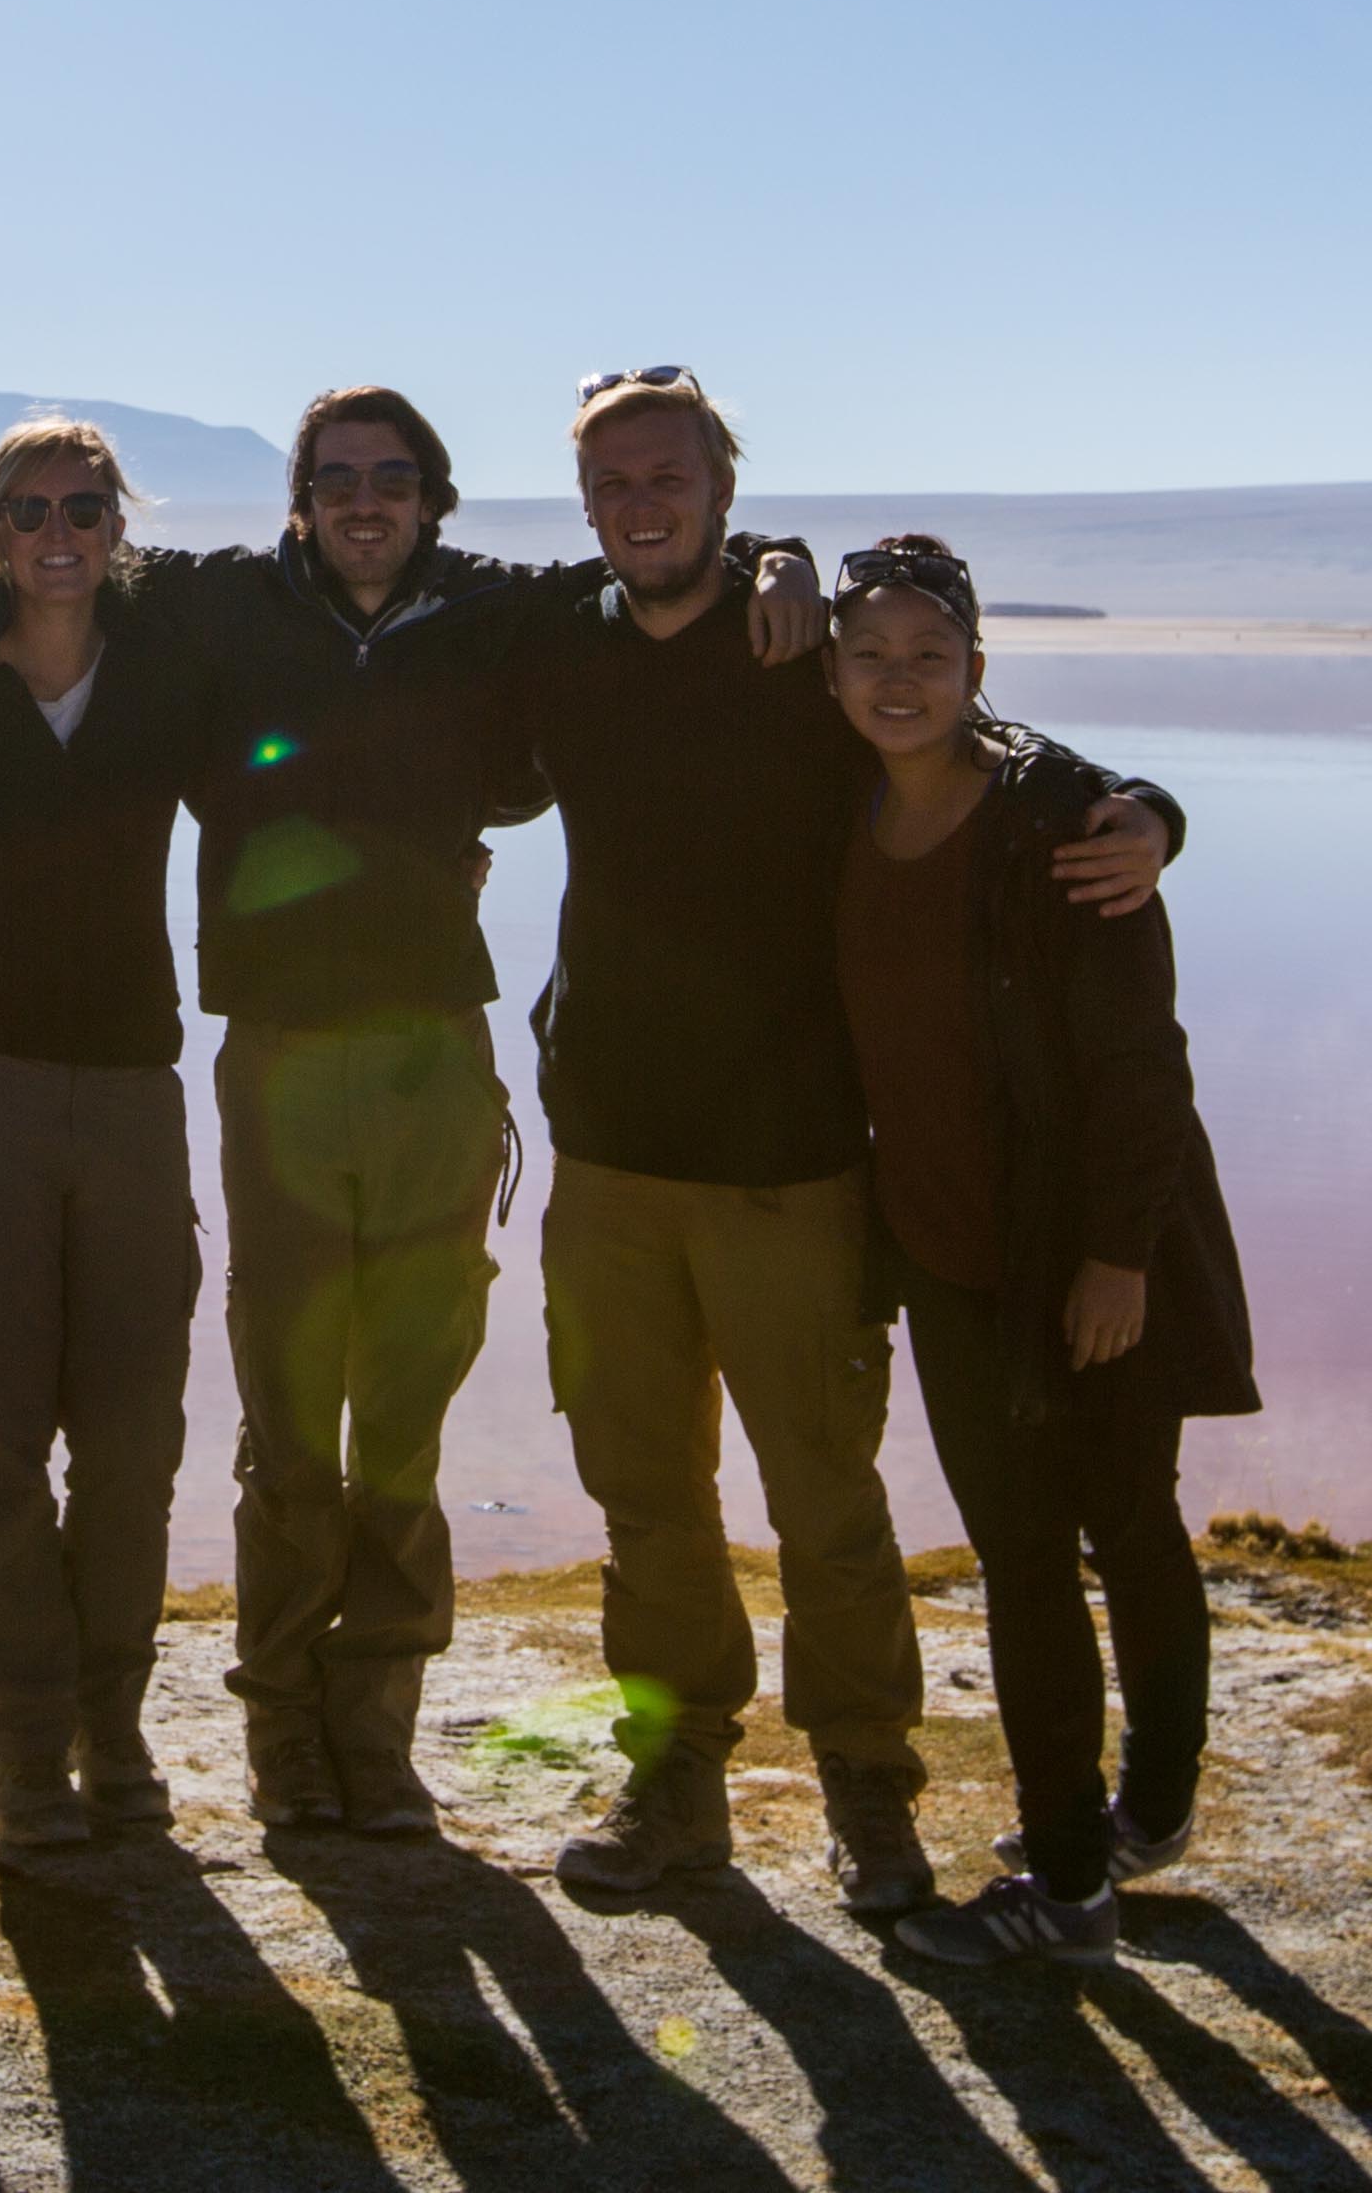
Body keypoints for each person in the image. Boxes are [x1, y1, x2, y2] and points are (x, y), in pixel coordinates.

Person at [0, 388, 811, 1840]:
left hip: (433, 1053)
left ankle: (375, 1729)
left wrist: (781, 559)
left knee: (402, 1413)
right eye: (337, 479)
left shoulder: (496, 608)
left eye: (392, 477)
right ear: (302, 498)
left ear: (433, 496)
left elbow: (653, 559)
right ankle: (280, 1726)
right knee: (286, 1416)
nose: (364, 501)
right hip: (274, 1054)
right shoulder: (224, 603)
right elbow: (50, 567)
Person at [506, 371, 1178, 1915]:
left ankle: (870, 1787)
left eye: (669, 476)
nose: (640, 505)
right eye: (612, 483)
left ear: (725, 491)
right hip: (606, 1154)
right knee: (645, 1500)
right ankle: (675, 1779)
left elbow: (976, 740)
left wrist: (1149, 811)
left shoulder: (802, 654)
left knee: (825, 1500)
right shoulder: (558, 639)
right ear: (586, 504)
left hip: (790, 1163)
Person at [812, 534, 1254, 1974]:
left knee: (1127, 1526)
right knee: (1021, 1557)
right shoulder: (840, 804)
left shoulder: (1062, 821)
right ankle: (1092, 1848)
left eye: (928, 657)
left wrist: (1119, 1258)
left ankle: (1095, 1867)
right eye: (869, 655)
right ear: (832, 671)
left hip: (1087, 1250)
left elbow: (1143, 1062)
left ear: (977, 670)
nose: (898, 681)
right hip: (948, 1253)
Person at [0, 417, 208, 1850]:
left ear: (120, 525)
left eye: (85, 507)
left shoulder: (168, 662)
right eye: (28, 510)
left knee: (136, 1441)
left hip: (134, 1088)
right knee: (2, 1436)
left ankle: (114, 1725)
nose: (58, 532)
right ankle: (25, 1751)